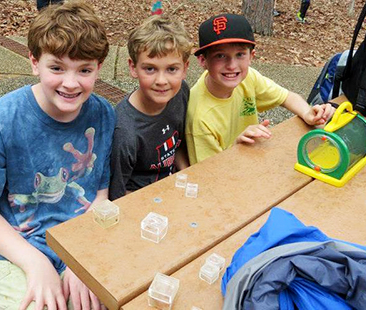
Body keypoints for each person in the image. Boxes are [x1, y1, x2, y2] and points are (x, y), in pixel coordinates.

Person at [0, 1, 114, 309]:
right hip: (12, 248)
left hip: (77, 239)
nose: (70, 83)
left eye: (84, 70)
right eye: (56, 68)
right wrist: (36, 264)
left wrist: (81, 257)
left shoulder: (103, 114)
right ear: (34, 62)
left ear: (98, 67)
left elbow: (99, 193)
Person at [185, 14, 334, 165]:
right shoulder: (199, 117)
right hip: (227, 172)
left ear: (251, 56)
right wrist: (236, 146)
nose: (232, 65)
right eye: (220, 55)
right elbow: (208, 173)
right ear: (203, 61)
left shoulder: (249, 77)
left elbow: (287, 97)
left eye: (240, 54)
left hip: (251, 159)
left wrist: (307, 112)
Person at [109, 15, 192, 200]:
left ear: (185, 69)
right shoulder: (124, 131)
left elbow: (177, 145)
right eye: (150, 69)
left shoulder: (180, 93)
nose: (161, 81)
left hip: (173, 186)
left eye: (172, 69)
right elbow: (117, 193)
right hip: (140, 201)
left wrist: (188, 176)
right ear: (133, 67)